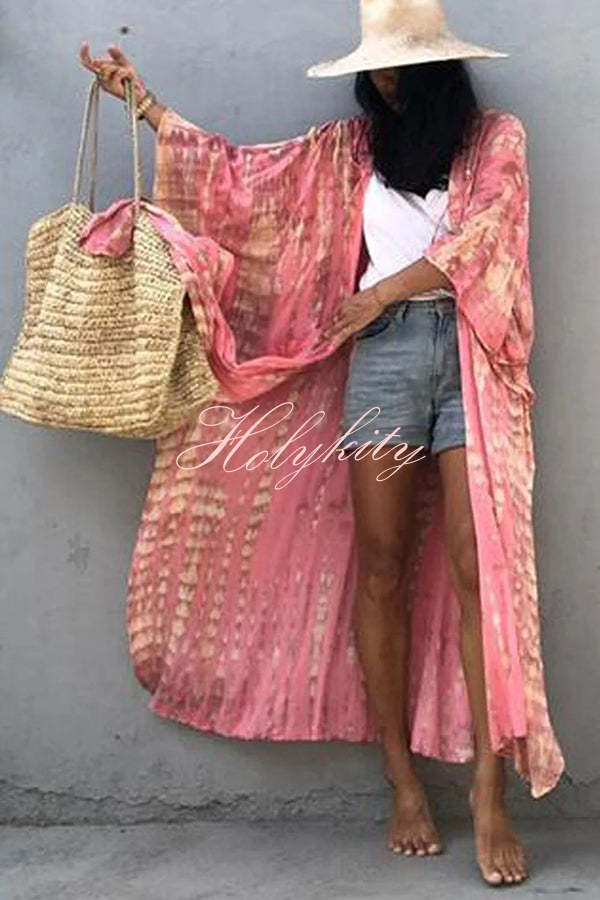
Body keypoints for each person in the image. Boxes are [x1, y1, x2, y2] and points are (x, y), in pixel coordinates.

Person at [78, 1, 559, 887]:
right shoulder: (349, 149)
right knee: (380, 564)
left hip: (471, 356)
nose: (383, 82)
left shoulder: (495, 139)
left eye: (399, 66)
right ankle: (400, 779)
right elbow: (245, 181)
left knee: (478, 567)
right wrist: (147, 107)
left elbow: (487, 235)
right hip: (382, 363)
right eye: (375, 68)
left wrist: (377, 294)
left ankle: (490, 794)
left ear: (440, 70)